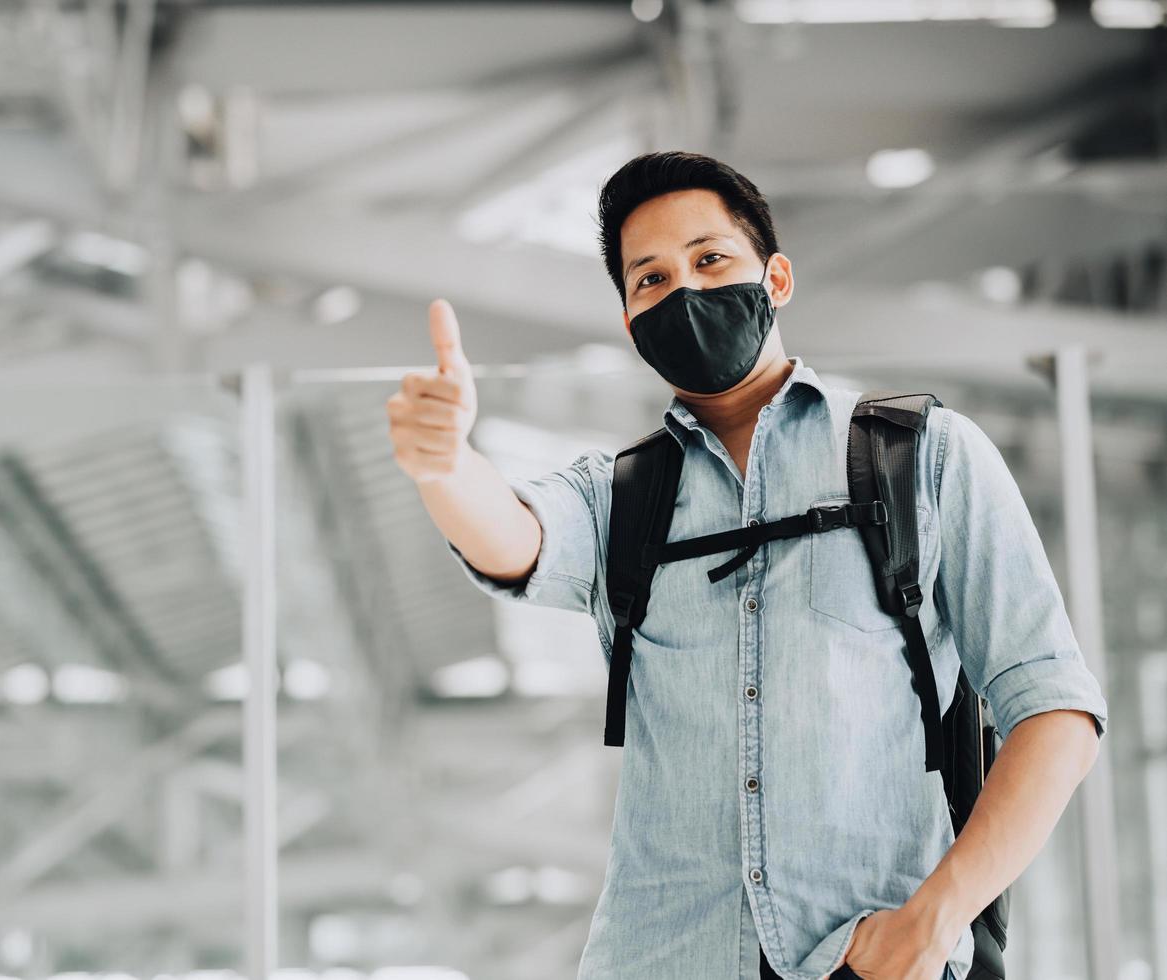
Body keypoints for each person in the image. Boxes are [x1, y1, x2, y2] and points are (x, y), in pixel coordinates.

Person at [385, 151, 1110, 980]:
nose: (685, 292)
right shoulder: (620, 497)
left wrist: (935, 918)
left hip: (870, 955)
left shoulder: (920, 458)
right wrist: (443, 466)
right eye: (649, 280)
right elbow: (514, 536)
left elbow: (1053, 707)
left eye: (709, 259)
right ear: (629, 323)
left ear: (776, 277)